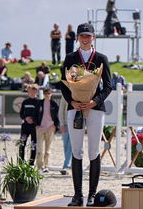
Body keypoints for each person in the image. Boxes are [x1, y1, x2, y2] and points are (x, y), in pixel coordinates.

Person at [61, 22, 112, 206]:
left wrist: (94, 101)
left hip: (95, 109)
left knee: (93, 151)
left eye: (88, 36)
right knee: (76, 151)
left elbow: (108, 86)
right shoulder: (70, 58)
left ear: (93, 38)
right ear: (77, 38)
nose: (85, 39)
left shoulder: (101, 58)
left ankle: (91, 194)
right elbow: (63, 84)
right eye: (82, 36)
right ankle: (77, 195)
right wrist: (72, 102)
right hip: (75, 108)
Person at [35, 87, 60, 172]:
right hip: (40, 128)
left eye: (48, 93)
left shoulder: (54, 104)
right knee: (39, 148)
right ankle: (39, 166)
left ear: (51, 94)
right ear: (44, 94)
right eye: (45, 93)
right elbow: (34, 114)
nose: (47, 95)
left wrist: (55, 125)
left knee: (48, 149)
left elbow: (58, 116)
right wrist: (37, 125)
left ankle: (46, 166)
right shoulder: (39, 103)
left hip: (50, 128)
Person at [19, 84, 39, 165]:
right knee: (22, 144)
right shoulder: (25, 102)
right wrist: (26, 118)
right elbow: (21, 114)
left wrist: (33, 120)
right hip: (25, 126)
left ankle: (31, 162)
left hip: (34, 126)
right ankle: (21, 161)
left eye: (32, 90)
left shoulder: (38, 102)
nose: (30, 92)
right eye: (29, 90)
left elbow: (40, 114)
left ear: (35, 91)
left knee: (33, 145)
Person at [58, 96, 72, 175]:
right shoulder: (64, 96)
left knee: (71, 146)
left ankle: (66, 165)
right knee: (66, 146)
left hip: (74, 124)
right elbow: (61, 111)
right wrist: (62, 124)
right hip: (65, 124)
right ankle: (69, 163)